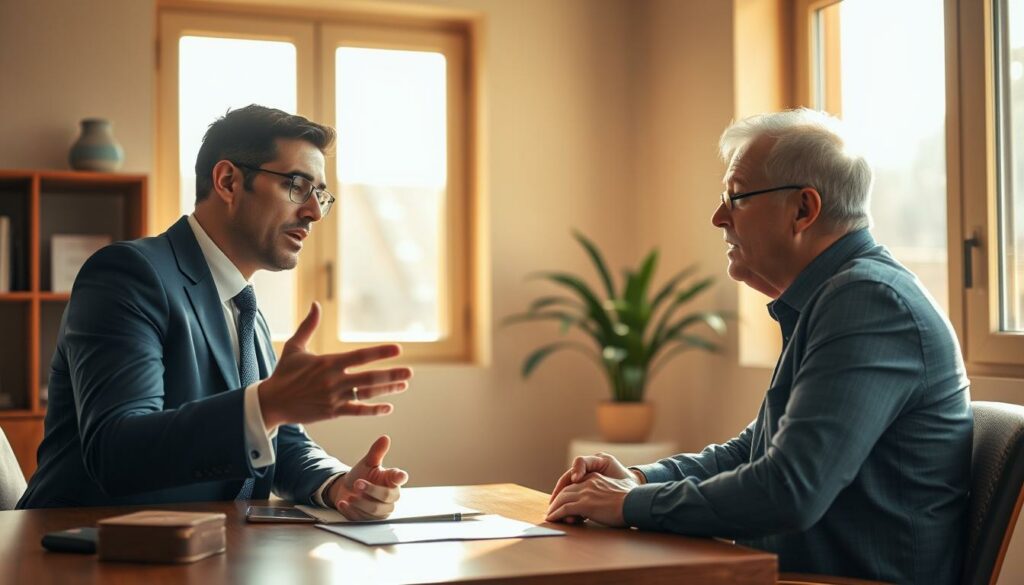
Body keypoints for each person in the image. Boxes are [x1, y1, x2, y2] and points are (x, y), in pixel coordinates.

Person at [546, 108, 972, 584]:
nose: (718, 217)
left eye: (736, 197)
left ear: (803, 210)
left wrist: (628, 503)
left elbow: (789, 489)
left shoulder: (869, 302)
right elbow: (754, 451)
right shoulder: (836, 297)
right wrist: (640, 479)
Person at [19, 105, 412, 520]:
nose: (313, 212)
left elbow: (277, 442)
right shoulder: (129, 274)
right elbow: (116, 451)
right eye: (298, 186)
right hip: (80, 544)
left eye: (321, 195)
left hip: (213, 545)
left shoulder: (244, 307)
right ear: (228, 181)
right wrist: (268, 404)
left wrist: (338, 484)